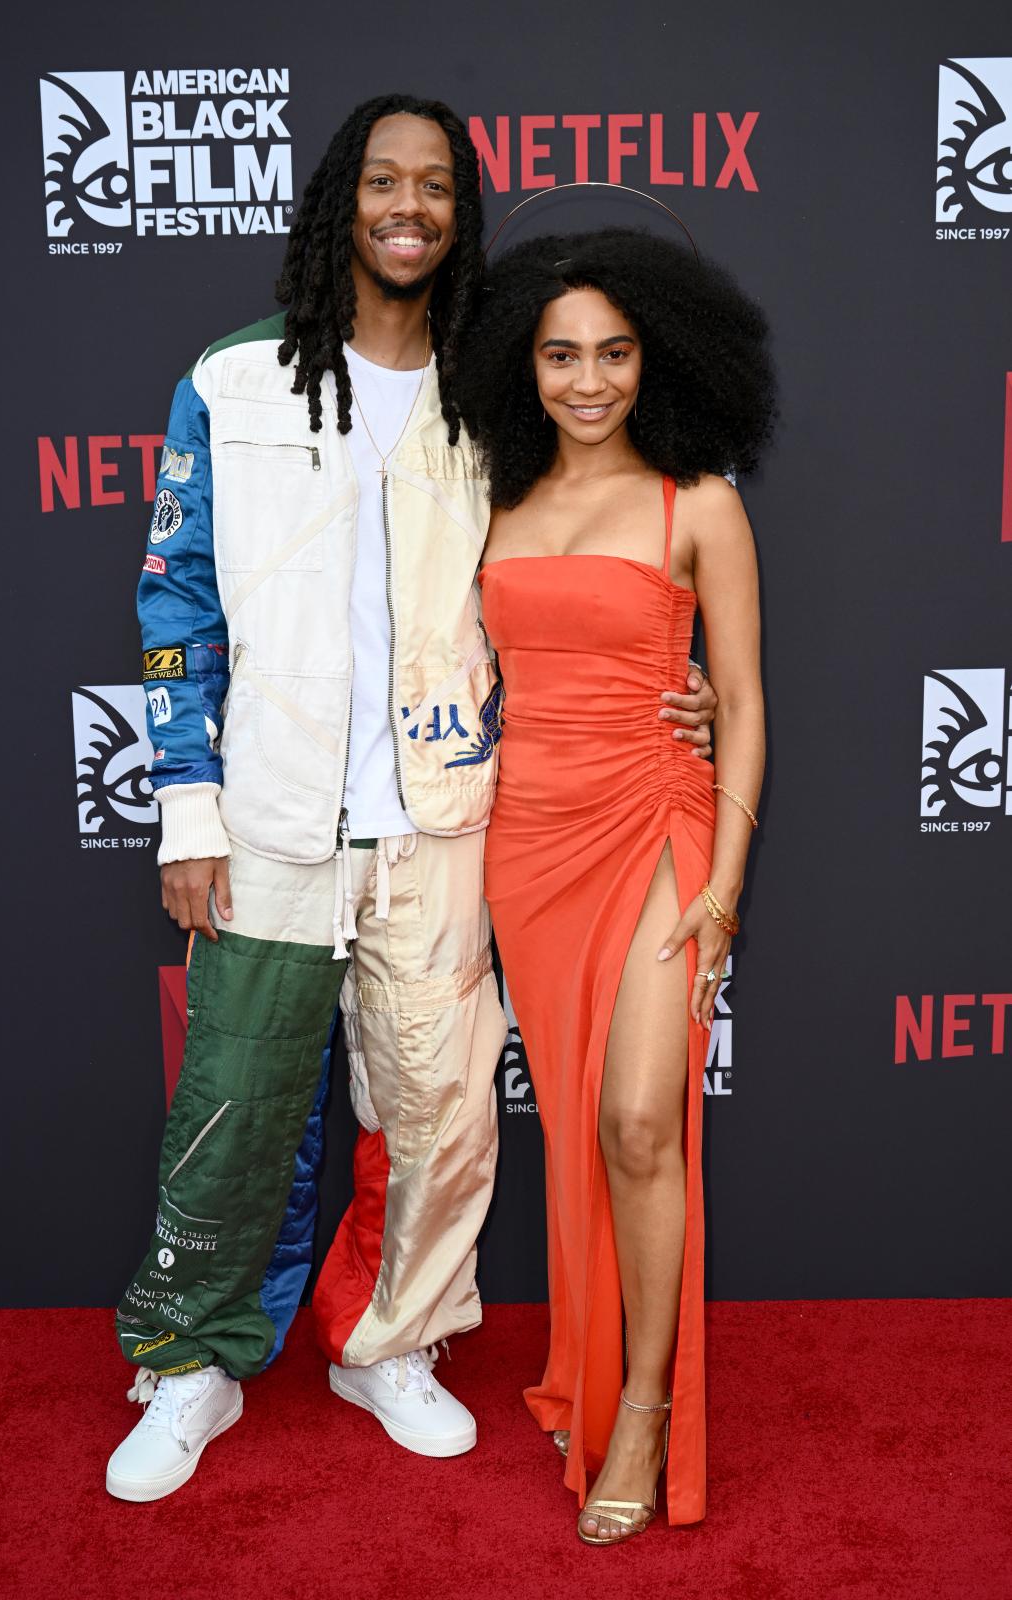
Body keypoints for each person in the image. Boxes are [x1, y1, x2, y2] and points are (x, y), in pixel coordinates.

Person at [107, 94, 718, 1503]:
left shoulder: (491, 392)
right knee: (238, 1103)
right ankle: (192, 1363)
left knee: (440, 1112)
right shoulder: (232, 381)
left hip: (446, 821)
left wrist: (667, 677)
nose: (408, 207)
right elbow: (175, 598)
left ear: (460, 213)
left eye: (435, 186)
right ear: (344, 200)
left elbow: (581, 552)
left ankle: (391, 1340)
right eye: (383, 181)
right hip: (269, 817)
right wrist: (187, 806)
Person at [459, 228, 772, 1544]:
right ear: (519, 367)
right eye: (559, 355)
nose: (588, 381)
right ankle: (590, 1369)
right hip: (525, 844)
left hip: (654, 824)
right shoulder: (487, 497)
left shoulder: (697, 502)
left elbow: (743, 705)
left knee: (640, 1120)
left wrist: (723, 887)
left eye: (614, 353)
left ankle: (643, 1407)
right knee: (577, 1131)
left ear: (657, 359)